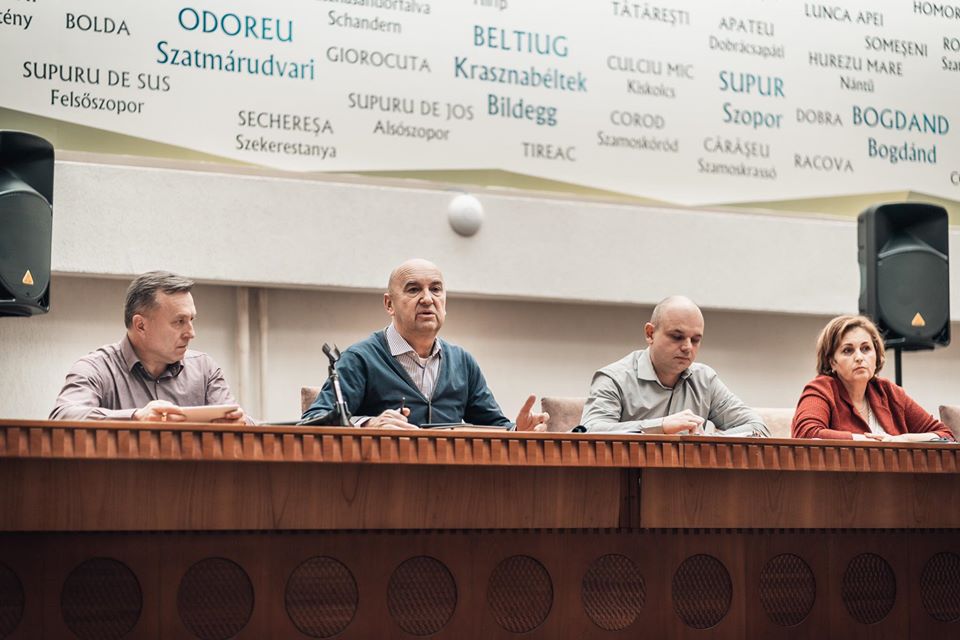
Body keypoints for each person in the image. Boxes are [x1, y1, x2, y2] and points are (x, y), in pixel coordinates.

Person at [302, 258, 548, 430]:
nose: (428, 299)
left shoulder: (462, 362)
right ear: (389, 304)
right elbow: (313, 420)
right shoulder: (361, 358)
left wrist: (519, 430)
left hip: (449, 481)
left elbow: (494, 426)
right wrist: (368, 424)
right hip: (382, 481)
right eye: (413, 290)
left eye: (436, 289)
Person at [50, 271, 251, 424]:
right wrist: (136, 417)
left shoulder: (204, 370)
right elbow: (63, 416)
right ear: (141, 325)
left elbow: (244, 424)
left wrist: (240, 423)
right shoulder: (96, 368)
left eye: (191, 320)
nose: (191, 333)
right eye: (179, 321)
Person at [580, 295, 769, 436]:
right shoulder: (614, 378)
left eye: (695, 340)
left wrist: (710, 440)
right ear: (650, 334)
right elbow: (589, 431)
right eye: (677, 337)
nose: (687, 347)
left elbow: (757, 428)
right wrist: (660, 426)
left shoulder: (705, 380)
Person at [791, 315, 953, 441]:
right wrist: (869, 441)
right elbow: (806, 434)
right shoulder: (821, 389)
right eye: (848, 350)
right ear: (832, 361)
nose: (859, 357)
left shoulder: (889, 392)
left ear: (876, 355)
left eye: (866, 348)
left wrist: (902, 439)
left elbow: (945, 436)